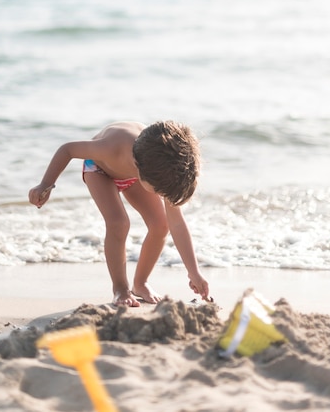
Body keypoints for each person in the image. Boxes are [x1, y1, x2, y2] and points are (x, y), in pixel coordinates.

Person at [29, 120, 209, 307]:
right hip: (99, 169)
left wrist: (194, 272)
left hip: (134, 173)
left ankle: (140, 284)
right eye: (159, 191)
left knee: (161, 224)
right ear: (141, 171)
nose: (161, 196)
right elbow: (68, 150)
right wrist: (46, 185)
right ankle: (120, 289)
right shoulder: (113, 147)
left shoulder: (165, 170)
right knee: (118, 223)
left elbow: (177, 225)